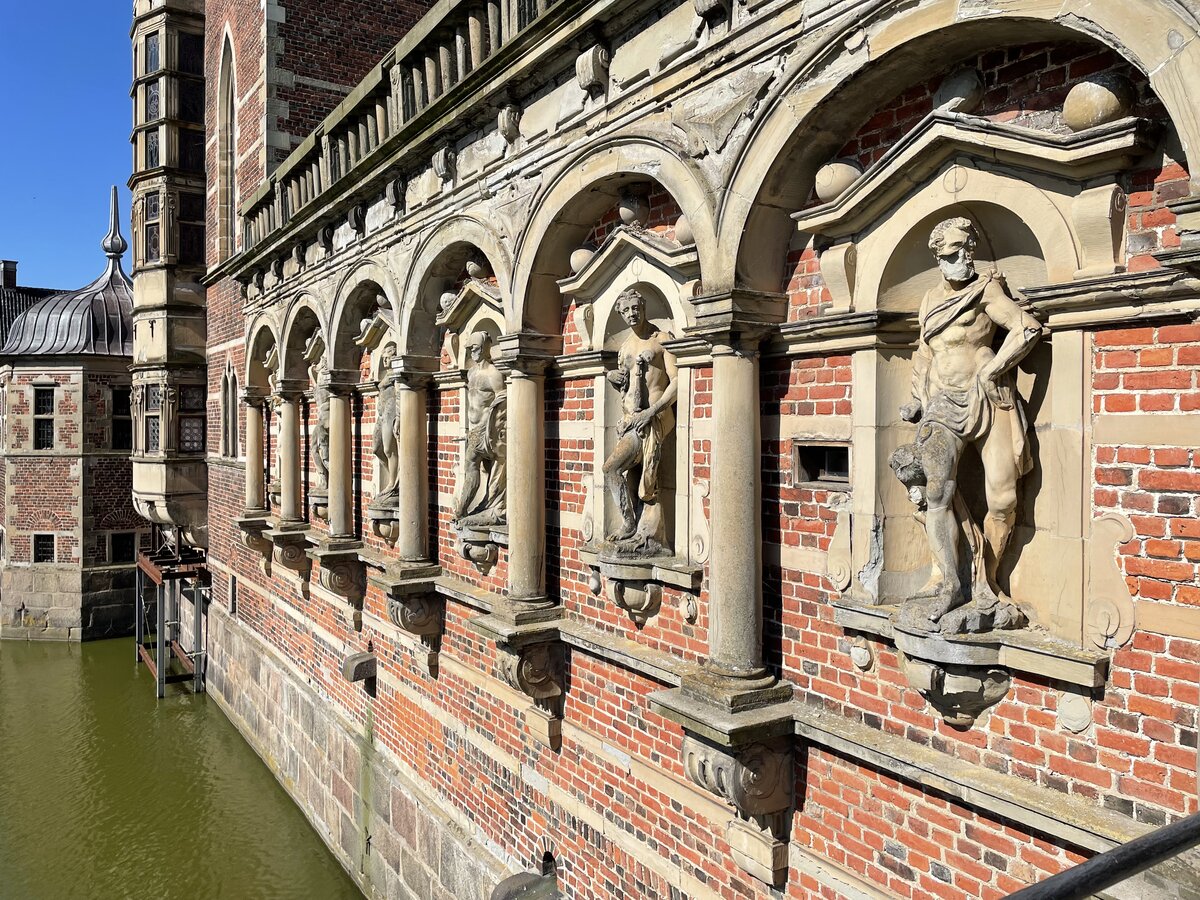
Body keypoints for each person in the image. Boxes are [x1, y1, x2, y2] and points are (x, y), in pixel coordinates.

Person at [893, 217, 1042, 631]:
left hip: (988, 399)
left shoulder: (985, 289)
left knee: (1004, 498)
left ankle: (987, 582)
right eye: (949, 254)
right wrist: (915, 399)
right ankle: (950, 583)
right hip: (941, 405)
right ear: (937, 256)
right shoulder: (928, 300)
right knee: (936, 492)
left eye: (965, 250)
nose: (960, 260)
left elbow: (1026, 328)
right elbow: (923, 352)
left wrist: (993, 370)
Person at [602, 288, 678, 554]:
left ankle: (630, 526)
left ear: (643, 308)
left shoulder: (661, 339)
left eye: (636, 308)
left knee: (613, 468)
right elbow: (627, 388)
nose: (632, 314)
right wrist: (614, 377)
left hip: (654, 419)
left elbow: (676, 381)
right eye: (626, 311)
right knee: (633, 475)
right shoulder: (625, 347)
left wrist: (653, 411)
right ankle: (636, 527)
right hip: (631, 420)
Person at [455, 332, 506, 525]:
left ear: (485, 348)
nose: (471, 351)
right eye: (469, 348)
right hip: (474, 431)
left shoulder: (494, 374)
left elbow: (503, 399)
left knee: (474, 465)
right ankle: (478, 506)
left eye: (474, 347)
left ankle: (464, 508)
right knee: (476, 468)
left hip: (487, 432)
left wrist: (493, 427)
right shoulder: (471, 373)